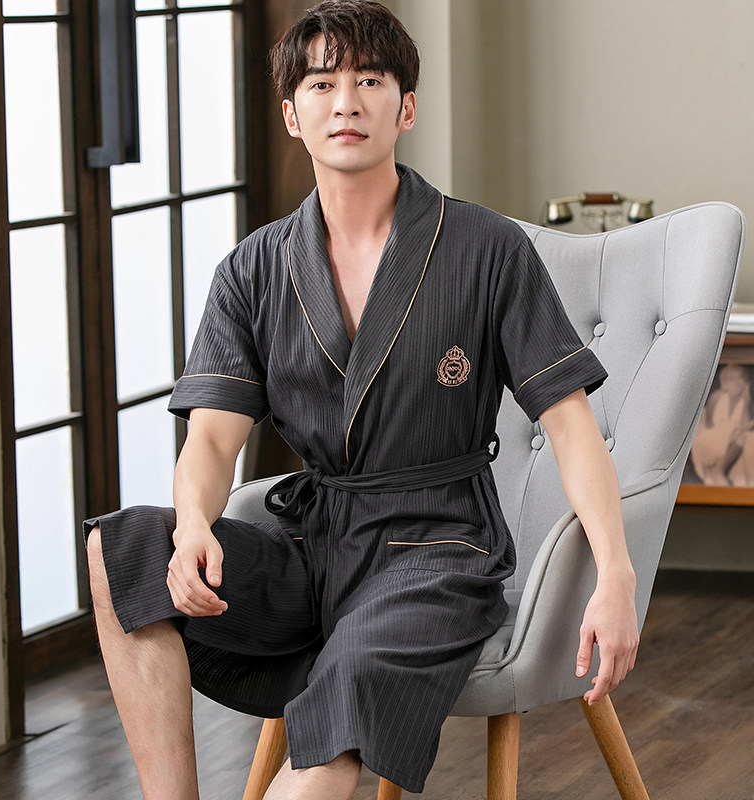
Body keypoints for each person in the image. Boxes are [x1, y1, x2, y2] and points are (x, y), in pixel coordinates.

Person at [85, 2, 639, 798]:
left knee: (341, 707)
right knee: (124, 551)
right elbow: (210, 440)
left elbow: (571, 425)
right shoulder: (252, 270)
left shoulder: (487, 249)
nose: (345, 101)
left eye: (369, 81)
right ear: (292, 115)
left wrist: (615, 574)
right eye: (321, 84)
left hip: (436, 552)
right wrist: (196, 524)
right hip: (313, 545)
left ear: (405, 108)